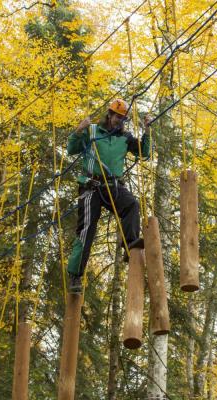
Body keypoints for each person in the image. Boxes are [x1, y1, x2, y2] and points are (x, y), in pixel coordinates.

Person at [66, 99, 151, 293]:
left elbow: (144, 153)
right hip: (91, 186)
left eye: (122, 119)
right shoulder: (93, 131)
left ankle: (130, 244)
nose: (119, 121)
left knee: (131, 205)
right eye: (116, 117)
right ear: (109, 115)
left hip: (113, 185)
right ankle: (75, 276)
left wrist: (147, 131)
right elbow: (72, 149)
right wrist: (79, 130)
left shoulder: (125, 137)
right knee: (87, 229)